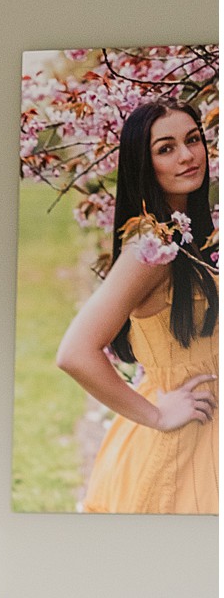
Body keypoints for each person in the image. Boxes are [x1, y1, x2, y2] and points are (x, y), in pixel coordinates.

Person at [56, 99, 218, 515]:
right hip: (180, 445)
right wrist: (156, 415)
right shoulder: (152, 249)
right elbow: (75, 352)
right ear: (144, 166)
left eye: (193, 140)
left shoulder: (192, 239)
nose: (186, 156)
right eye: (166, 148)